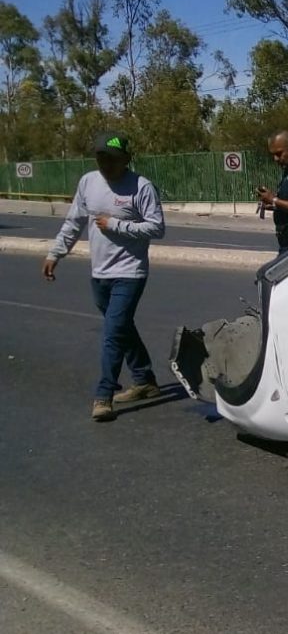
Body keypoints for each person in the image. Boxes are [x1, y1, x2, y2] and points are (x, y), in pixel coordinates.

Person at [42, 132, 166, 422]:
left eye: (111, 158)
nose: (104, 163)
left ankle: (104, 395)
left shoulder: (141, 187)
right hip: (99, 272)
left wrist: (117, 225)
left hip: (130, 272)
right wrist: (55, 253)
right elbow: (74, 222)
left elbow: (157, 228)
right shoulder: (88, 182)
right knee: (121, 327)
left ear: (126, 159)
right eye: (100, 157)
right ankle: (145, 379)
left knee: (112, 334)